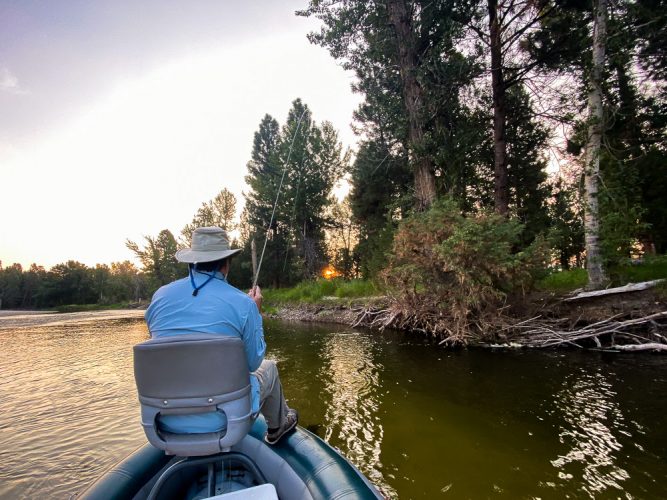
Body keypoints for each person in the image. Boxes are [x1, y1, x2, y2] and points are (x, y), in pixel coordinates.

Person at [145, 226, 298, 445]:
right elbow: (254, 363)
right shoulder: (244, 304)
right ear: (225, 264)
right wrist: (255, 312)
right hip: (225, 420)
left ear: (192, 261)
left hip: (164, 420)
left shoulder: (159, 297)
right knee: (270, 367)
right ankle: (276, 428)